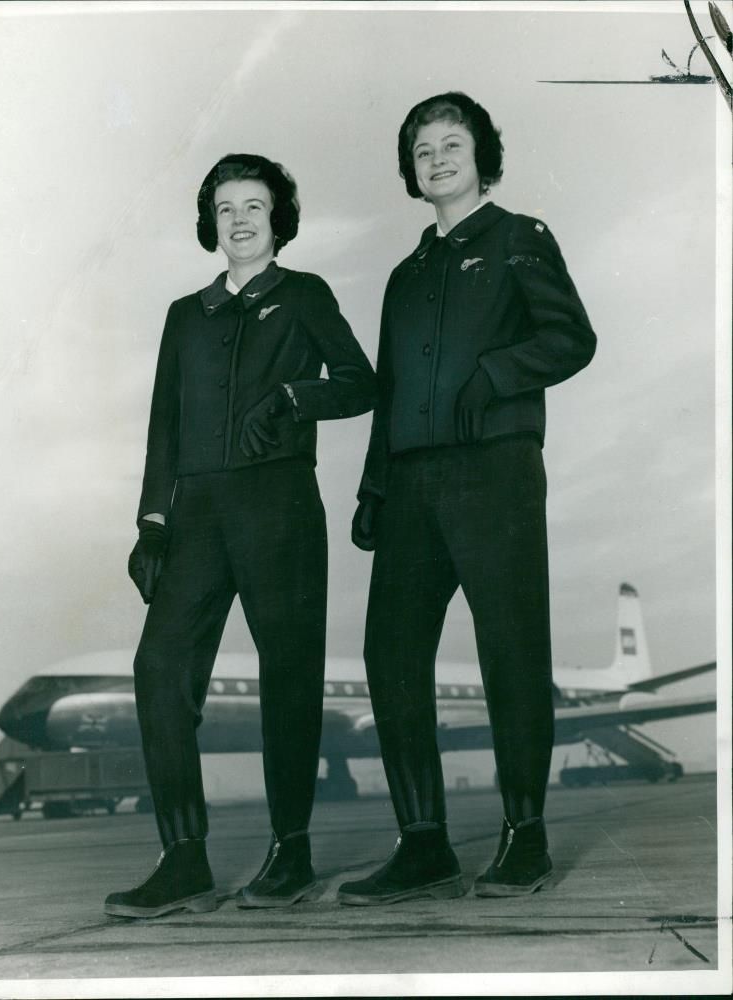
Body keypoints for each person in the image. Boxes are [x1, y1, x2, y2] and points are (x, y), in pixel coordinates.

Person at [338, 92, 596, 906]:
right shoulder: (404, 275)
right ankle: (424, 846)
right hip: (411, 484)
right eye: (422, 150)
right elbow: (388, 393)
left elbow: (571, 338)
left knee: (510, 650)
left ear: (483, 155)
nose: (438, 159)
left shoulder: (521, 238)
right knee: (390, 655)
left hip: (495, 474)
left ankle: (525, 838)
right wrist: (375, 485)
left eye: (453, 144)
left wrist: (493, 376)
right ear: (412, 171)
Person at [104, 153, 376, 918]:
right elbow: (163, 426)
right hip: (195, 516)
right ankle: (183, 858)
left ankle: (291, 852)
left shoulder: (305, 295)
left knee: (288, 675)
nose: (241, 219)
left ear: (277, 217)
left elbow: (361, 382)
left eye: (254, 205)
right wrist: (152, 522)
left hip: (280, 504)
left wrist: (293, 397)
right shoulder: (184, 315)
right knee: (159, 669)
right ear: (211, 223)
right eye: (226, 208)